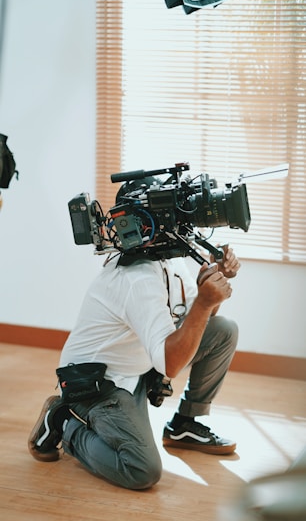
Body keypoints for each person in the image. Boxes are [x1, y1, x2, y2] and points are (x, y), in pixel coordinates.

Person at [28, 181, 241, 490]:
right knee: (142, 470)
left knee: (222, 331)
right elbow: (171, 363)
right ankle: (67, 424)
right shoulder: (135, 278)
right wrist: (205, 301)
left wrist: (212, 290)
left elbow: (198, 327)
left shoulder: (169, 261)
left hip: (138, 367)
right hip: (96, 385)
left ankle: (184, 424)